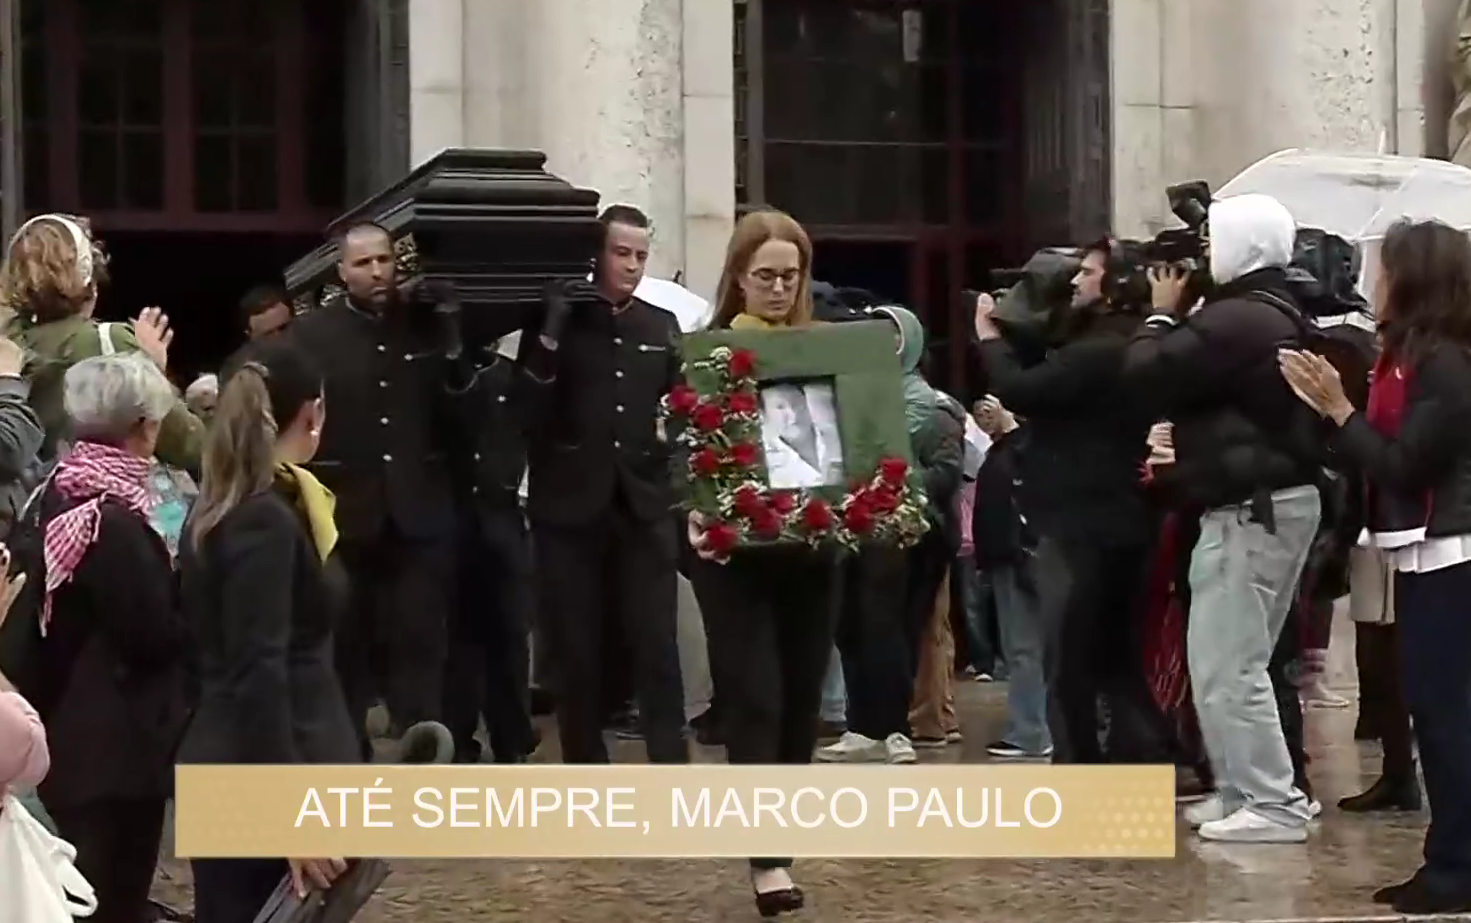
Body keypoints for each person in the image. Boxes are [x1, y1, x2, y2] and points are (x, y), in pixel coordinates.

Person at [1280, 218, 1471, 912]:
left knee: (1445, 713)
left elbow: (1403, 462)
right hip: (1423, 551)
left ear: (1414, 278)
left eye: (1384, 268)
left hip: (1453, 552)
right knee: (1430, 707)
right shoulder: (1407, 355)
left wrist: (1336, 409)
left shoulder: (1445, 361)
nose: (1372, 281)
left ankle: (1456, 866)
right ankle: (1446, 857)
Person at [1125, 193, 1320, 843]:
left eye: (1215, 241)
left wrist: (1157, 319)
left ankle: (1273, 801)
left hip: (1252, 506)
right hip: (1256, 499)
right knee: (1222, 660)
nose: (1204, 256)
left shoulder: (1240, 319)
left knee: (1229, 662)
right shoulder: (1262, 310)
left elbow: (1147, 374)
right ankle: (1241, 787)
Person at [686, 208, 839, 916]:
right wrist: (685, 508)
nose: (779, 288)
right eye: (765, 275)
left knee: (802, 700)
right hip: (735, 558)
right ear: (738, 279)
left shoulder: (825, 350)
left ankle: (781, 830)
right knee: (755, 695)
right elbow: (672, 450)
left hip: (810, 549)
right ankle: (766, 856)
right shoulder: (706, 353)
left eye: (790, 274)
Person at [177, 337, 357, 923]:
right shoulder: (262, 520)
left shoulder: (230, 508)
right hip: (262, 772)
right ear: (313, 412)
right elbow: (259, 671)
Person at [973, 237, 1160, 765]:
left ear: (1117, 283)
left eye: (1088, 273)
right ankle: (1131, 764)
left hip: (1085, 520)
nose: (1075, 281)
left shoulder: (1104, 348)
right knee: (1114, 658)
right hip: (1117, 513)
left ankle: (1083, 769)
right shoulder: (1122, 338)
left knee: (1072, 660)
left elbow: (1022, 388)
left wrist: (988, 337)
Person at [513, 204, 688, 764]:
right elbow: (525, 409)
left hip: (641, 503)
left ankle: (669, 759)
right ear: (597, 254)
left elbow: (681, 410)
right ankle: (585, 763)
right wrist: (554, 330)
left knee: (656, 640)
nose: (633, 266)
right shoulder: (557, 320)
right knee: (575, 643)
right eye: (621, 253)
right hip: (569, 505)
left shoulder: (659, 326)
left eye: (641, 255)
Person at [28, 354, 192, 923]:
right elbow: (151, 634)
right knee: (109, 900)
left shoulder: (62, 487)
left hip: (70, 736)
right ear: (143, 425)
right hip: (113, 750)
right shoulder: (111, 518)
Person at [287, 222, 459, 760]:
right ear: (341, 272)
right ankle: (349, 762)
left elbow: (453, 411)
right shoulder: (313, 335)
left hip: (418, 513)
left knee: (419, 640)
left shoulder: (425, 326)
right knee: (347, 648)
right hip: (346, 516)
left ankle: (422, 753)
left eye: (384, 260)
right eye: (363, 264)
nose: (378, 271)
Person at [0, 212, 203, 473]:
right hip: (95, 502)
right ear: (90, 282)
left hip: (24, 505)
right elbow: (191, 447)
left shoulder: (7, 345)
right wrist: (153, 371)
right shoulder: (110, 343)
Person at [870, 306, 965, 750]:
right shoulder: (869, 398)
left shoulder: (935, 406)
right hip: (880, 530)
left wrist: (892, 481)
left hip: (925, 533)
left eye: (891, 337)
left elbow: (947, 473)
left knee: (919, 629)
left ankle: (917, 720)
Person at [441, 331, 538, 764]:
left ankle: (511, 736)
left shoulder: (511, 379)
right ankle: (459, 737)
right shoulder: (442, 375)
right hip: (451, 519)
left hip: (502, 518)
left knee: (510, 636)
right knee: (457, 638)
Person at [972, 395, 1053, 759]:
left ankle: (1031, 731)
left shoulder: (1027, 445)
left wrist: (1010, 425)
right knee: (1025, 647)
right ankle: (1034, 726)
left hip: (1021, 555)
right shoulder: (1005, 448)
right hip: (1009, 556)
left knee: (1024, 648)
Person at [221, 286, 294, 383]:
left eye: (284, 328)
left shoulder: (315, 343)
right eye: (268, 334)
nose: (279, 339)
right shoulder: (238, 378)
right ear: (250, 335)